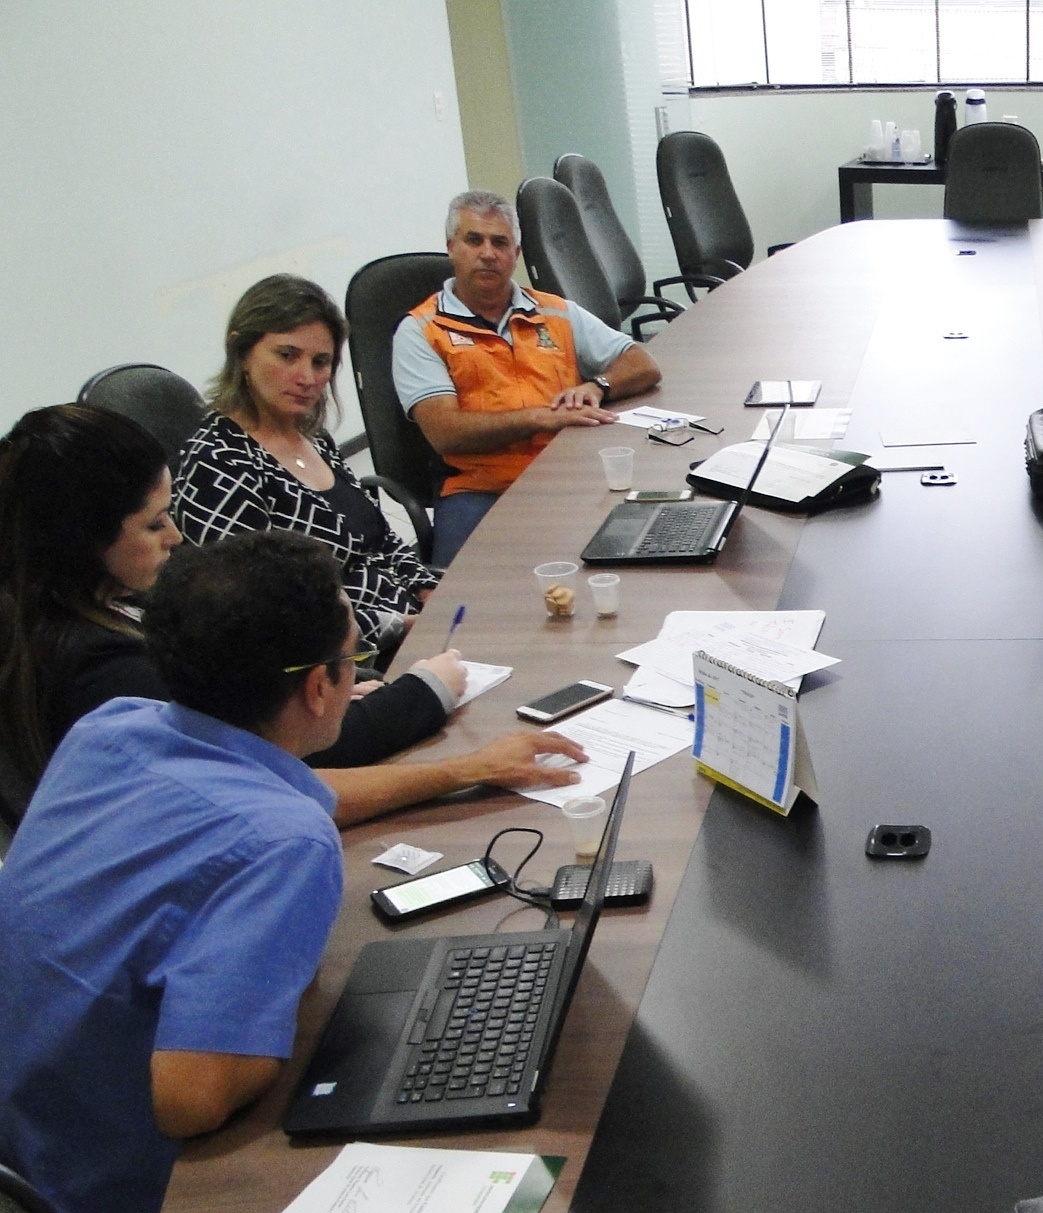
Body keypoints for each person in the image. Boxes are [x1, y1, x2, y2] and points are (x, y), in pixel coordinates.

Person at [0, 534, 356, 1213]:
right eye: (352, 654)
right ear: (318, 689)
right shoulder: (285, 842)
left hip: (31, 1154)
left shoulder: (111, 728)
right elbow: (191, 1100)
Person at [0, 404, 585, 830]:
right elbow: (288, 788)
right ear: (84, 538)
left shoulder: (88, 607)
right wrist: (468, 767)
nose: (176, 537)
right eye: (153, 524)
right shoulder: (105, 678)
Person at [392, 190, 662, 565]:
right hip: (480, 490)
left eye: (500, 242)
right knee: (460, 613)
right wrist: (539, 417)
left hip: (568, 477)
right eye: (474, 240)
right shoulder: (420, 330)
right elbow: (444, 430)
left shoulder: (555, 312)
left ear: (515, 255)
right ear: (451, 248)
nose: (488, 253)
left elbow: (642, 363)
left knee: (643, 553)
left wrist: (595, 386)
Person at [175, 274, 436, 651]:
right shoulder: (217, 464)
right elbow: (263, 611)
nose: (307, 378)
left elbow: (381, 540)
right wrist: (397, 625)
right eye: (287, 355)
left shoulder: (313, 436)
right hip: (338, 663)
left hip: (413, 630)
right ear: (241, 352)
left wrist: (429, 589)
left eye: (321, 362)